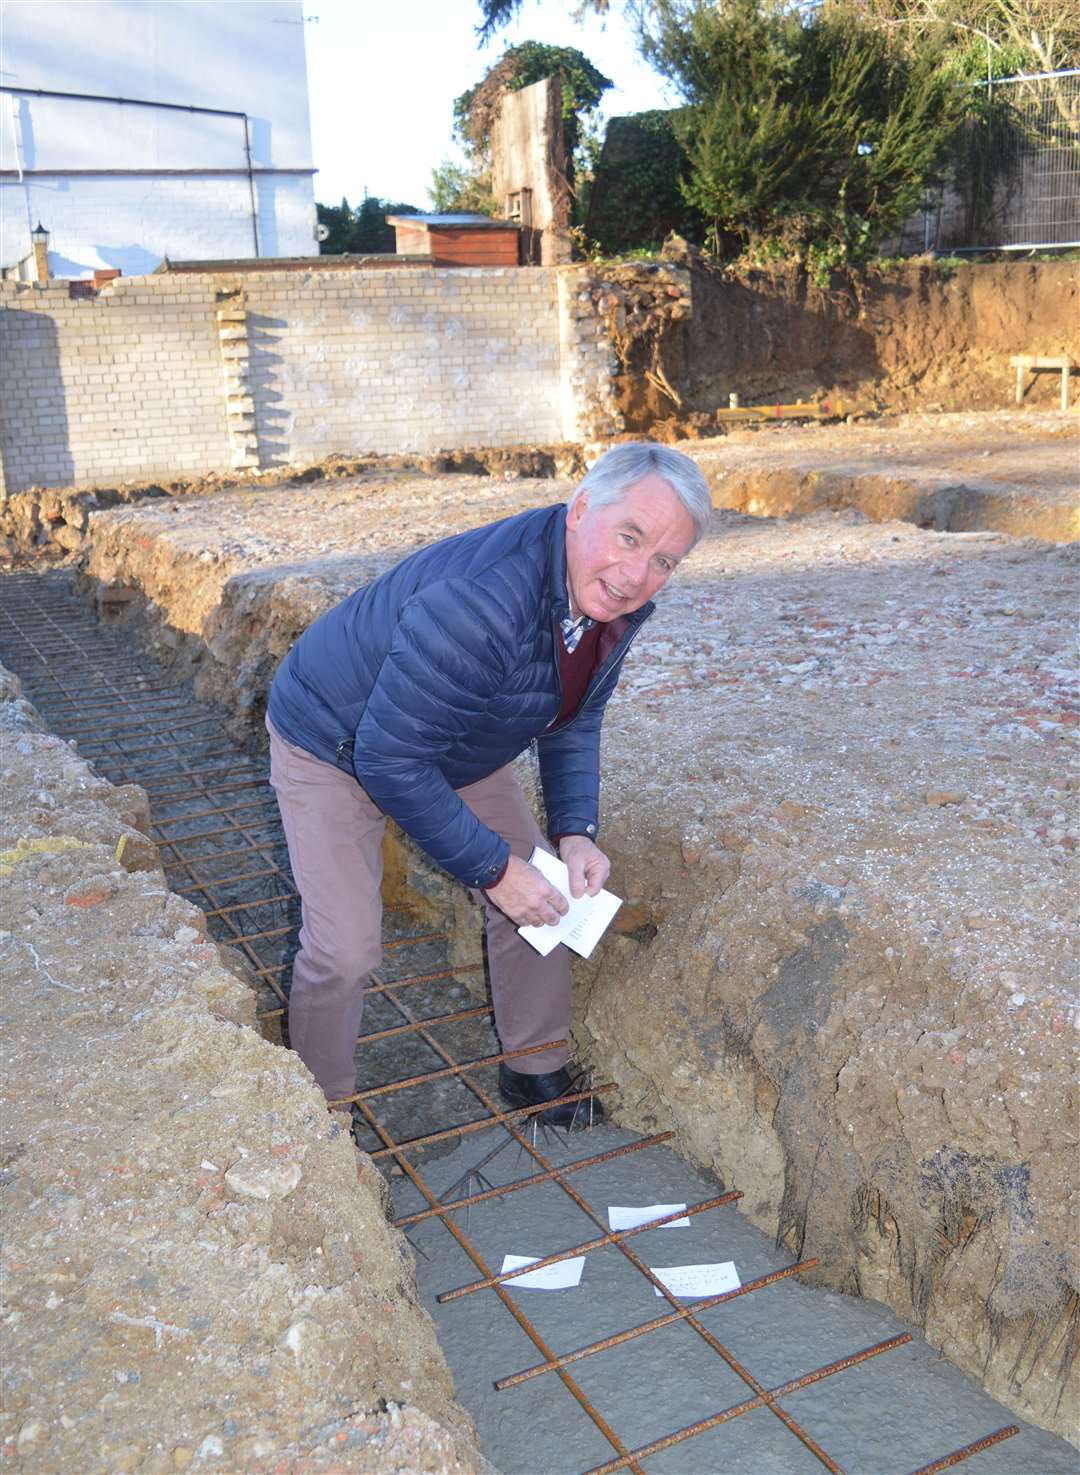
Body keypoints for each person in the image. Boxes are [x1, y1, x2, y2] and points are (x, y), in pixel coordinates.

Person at [265, 441, 711, 1130]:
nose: (636, 574)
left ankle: (536, 1068)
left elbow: (575, 713)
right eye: (630, 537)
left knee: (547, 887)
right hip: (336, 737)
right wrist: (492, 868)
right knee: (346, 944)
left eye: (663, 561)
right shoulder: (481, 602)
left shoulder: (610, 599)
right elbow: (387, 759)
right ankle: (318, 1119)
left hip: (451, 737)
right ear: (582, 507)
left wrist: (573, 830)